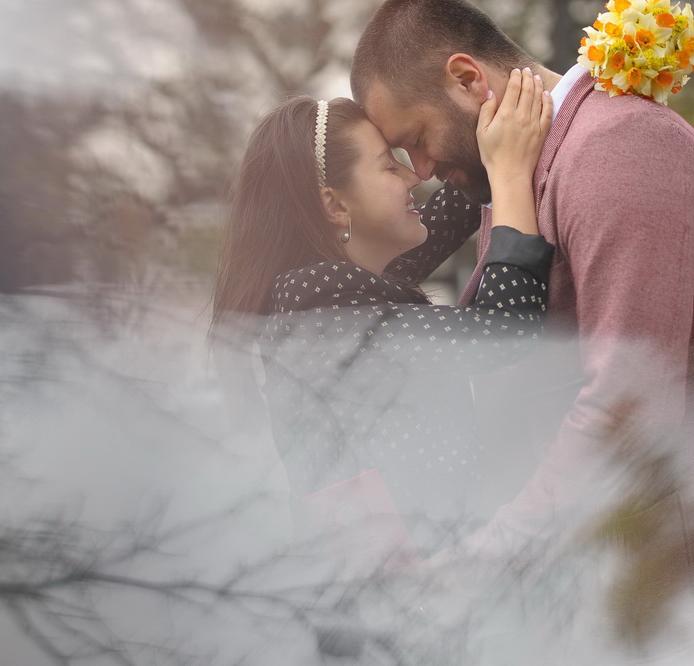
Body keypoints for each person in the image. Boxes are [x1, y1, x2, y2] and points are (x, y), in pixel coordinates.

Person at [351, 0, 694, 653]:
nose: (421, 171)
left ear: (468, 80)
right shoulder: (517, 174)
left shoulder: (620, 146)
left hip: (647, 596)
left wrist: (485, 559)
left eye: (416, 140)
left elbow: (629, 405)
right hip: (572, 584)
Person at [211, 69, 553, 555]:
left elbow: (439, 221)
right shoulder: (319, 302)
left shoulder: (333, 287)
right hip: (404, 604)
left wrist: (480, 131)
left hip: (411, 589)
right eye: (390, 167)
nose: (414, 175)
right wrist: (510, 171)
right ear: (333, 203)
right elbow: (503, 327)